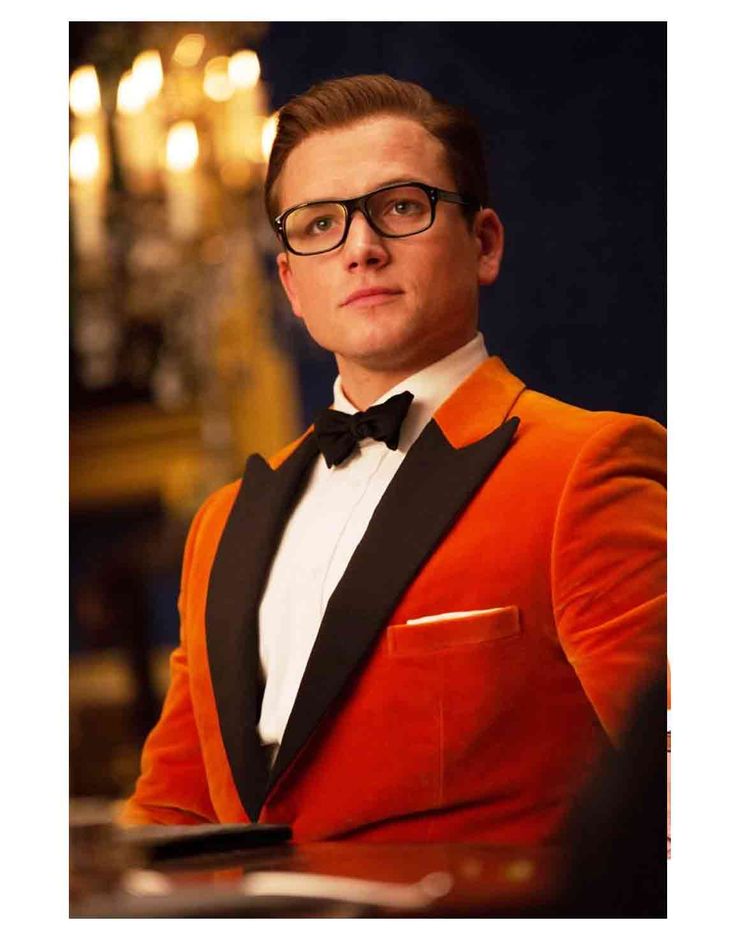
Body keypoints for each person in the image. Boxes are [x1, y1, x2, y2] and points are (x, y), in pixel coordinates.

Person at [120, 74, 666, 845]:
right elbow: (171, 814)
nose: (361, 248)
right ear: (291, 283)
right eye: (318, 224)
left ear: (483, 244)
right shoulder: (222, 524)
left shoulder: (586, 465)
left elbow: (687, 779)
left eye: (401, 207)